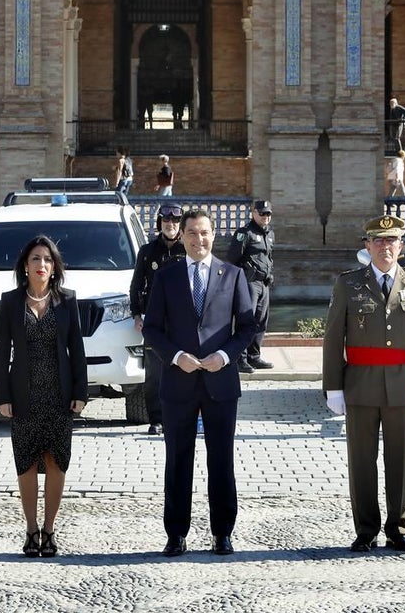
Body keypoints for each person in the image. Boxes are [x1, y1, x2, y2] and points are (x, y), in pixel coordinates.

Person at [322, 214, 405, 553]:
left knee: (400, 459)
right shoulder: (349, 284)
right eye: (378, 241)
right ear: (368, 246)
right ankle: (366, 528)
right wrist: (333, 386)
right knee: (361, 459)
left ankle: (398, 527)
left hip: (404, 386)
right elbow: (333, 338)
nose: (385, 247)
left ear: (401, 247)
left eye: (391, 241)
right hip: (360, 384)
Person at [142, 209, 258, 558]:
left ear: (213, 235)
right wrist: (177, 356)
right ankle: (176, 534)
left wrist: (225, 356)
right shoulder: (167, 276)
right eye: (192, 233)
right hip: (178, 382)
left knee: (221, 460)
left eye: (204, 233)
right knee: (178, 460)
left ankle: (222, 532)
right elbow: (152, 329)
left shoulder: (233, 275)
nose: (199, 239)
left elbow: (248, 326)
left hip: (220, 383)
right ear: (183, 237)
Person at [0, 235, 88, 558]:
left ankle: (49, 530)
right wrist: (2, 395)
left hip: (59, 395)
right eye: (36, 259)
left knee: (56, 461)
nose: (42, 265)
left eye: (47, 260)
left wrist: (80, 391)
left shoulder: (67, 300)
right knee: (26, 464)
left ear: (54, 266)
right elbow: (0, 352)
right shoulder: (10, 301)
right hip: (23, 394)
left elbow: (76, 349)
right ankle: (31, 529)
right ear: (25, 265)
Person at [129, 203, 187, 435]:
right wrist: (136, 314)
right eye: (166, 222)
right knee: (154, 374)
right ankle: (157, 419)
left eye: (174, 222)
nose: (170, 225)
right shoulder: (148, 251)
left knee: (183, 370)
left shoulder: (188, 250)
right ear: (159, 224)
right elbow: (136, 285)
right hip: (154, 319)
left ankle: (181, 416)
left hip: (182, 319)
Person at [227, 199, 275, 373]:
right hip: (248, 282)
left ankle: (254, 357)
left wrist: (270, 274)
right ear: (253, 213)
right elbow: (232, 259)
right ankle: (240, 359)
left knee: (261, 321)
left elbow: (268, 257)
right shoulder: (244, 233)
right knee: (245, 320)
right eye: (262, 213)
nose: (265, 217)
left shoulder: (269, 234)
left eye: (268, 213)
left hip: (264, 283)